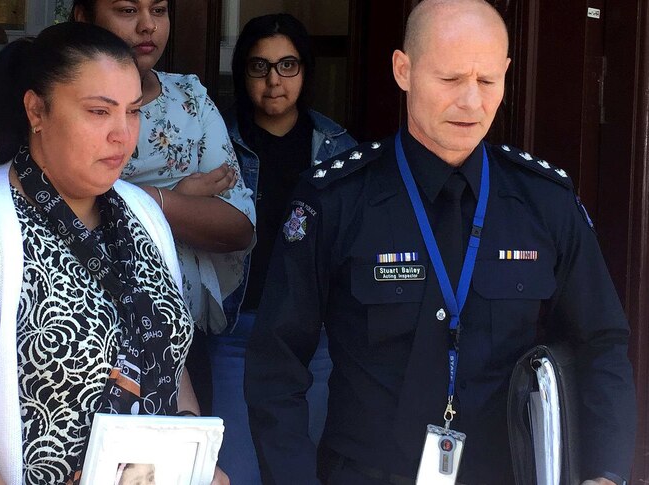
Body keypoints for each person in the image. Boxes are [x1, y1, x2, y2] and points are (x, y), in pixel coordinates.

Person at [244, 1, 636, 484]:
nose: (471, 102)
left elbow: (602, 343)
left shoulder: (543, 200)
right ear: (403, 70)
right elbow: (275, 363)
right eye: (451, 80)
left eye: (487, 81)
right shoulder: (337, 198)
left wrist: (606, 472)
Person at [0, 22, 203, 484]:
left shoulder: (144, 217)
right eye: (99, 112)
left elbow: (172, 365)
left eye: (133, 112)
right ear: (37, 110)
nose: (122, 134)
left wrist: (195, 460)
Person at [70, 0, 257, 417]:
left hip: (184, 341)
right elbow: (65, 210)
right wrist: (184, 198)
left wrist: (152, 198)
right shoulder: (65, 107)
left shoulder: (189, 97)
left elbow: (238, 226)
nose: (147, 26)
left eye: (159, 9)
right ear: (84, 17)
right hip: (84, 350)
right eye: (126, 10)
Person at [212, 13, 357, 484]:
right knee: (236, 470)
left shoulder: (337, 146)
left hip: (312, 339)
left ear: (305, 71)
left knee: (301, 470)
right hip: (237, 333)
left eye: (287, 65)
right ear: (242, 73)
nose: (274, 80)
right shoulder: (216, 141)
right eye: (259, 67)